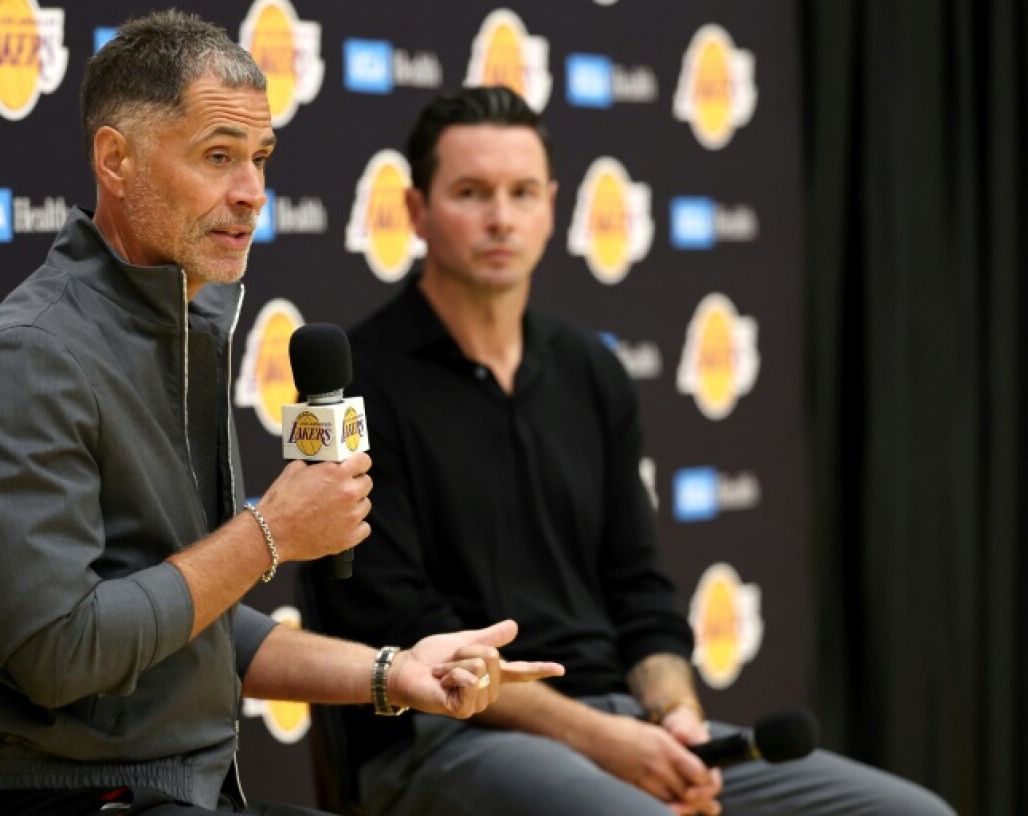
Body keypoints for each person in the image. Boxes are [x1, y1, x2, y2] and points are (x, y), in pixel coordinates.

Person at [0, 15, 562, 816]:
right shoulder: (32, 358)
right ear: (115, 160)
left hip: (190, 794)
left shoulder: (185, 325)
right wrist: (270, 533)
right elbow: (60, 652)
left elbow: (190, 624)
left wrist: (390, 672)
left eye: (260, 160)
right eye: (218, 157)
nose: (252, 193)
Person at [304, 86, 957, 816]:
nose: (500, 217)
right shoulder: (358, 382)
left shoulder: (591, 369)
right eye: (470, 192)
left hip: (621, 719)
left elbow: (641, 589)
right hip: (443, 736)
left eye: (522, 193)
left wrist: (674, 712)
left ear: (552, 206)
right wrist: (604, 742)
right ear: (417, 210)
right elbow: (398, 626)